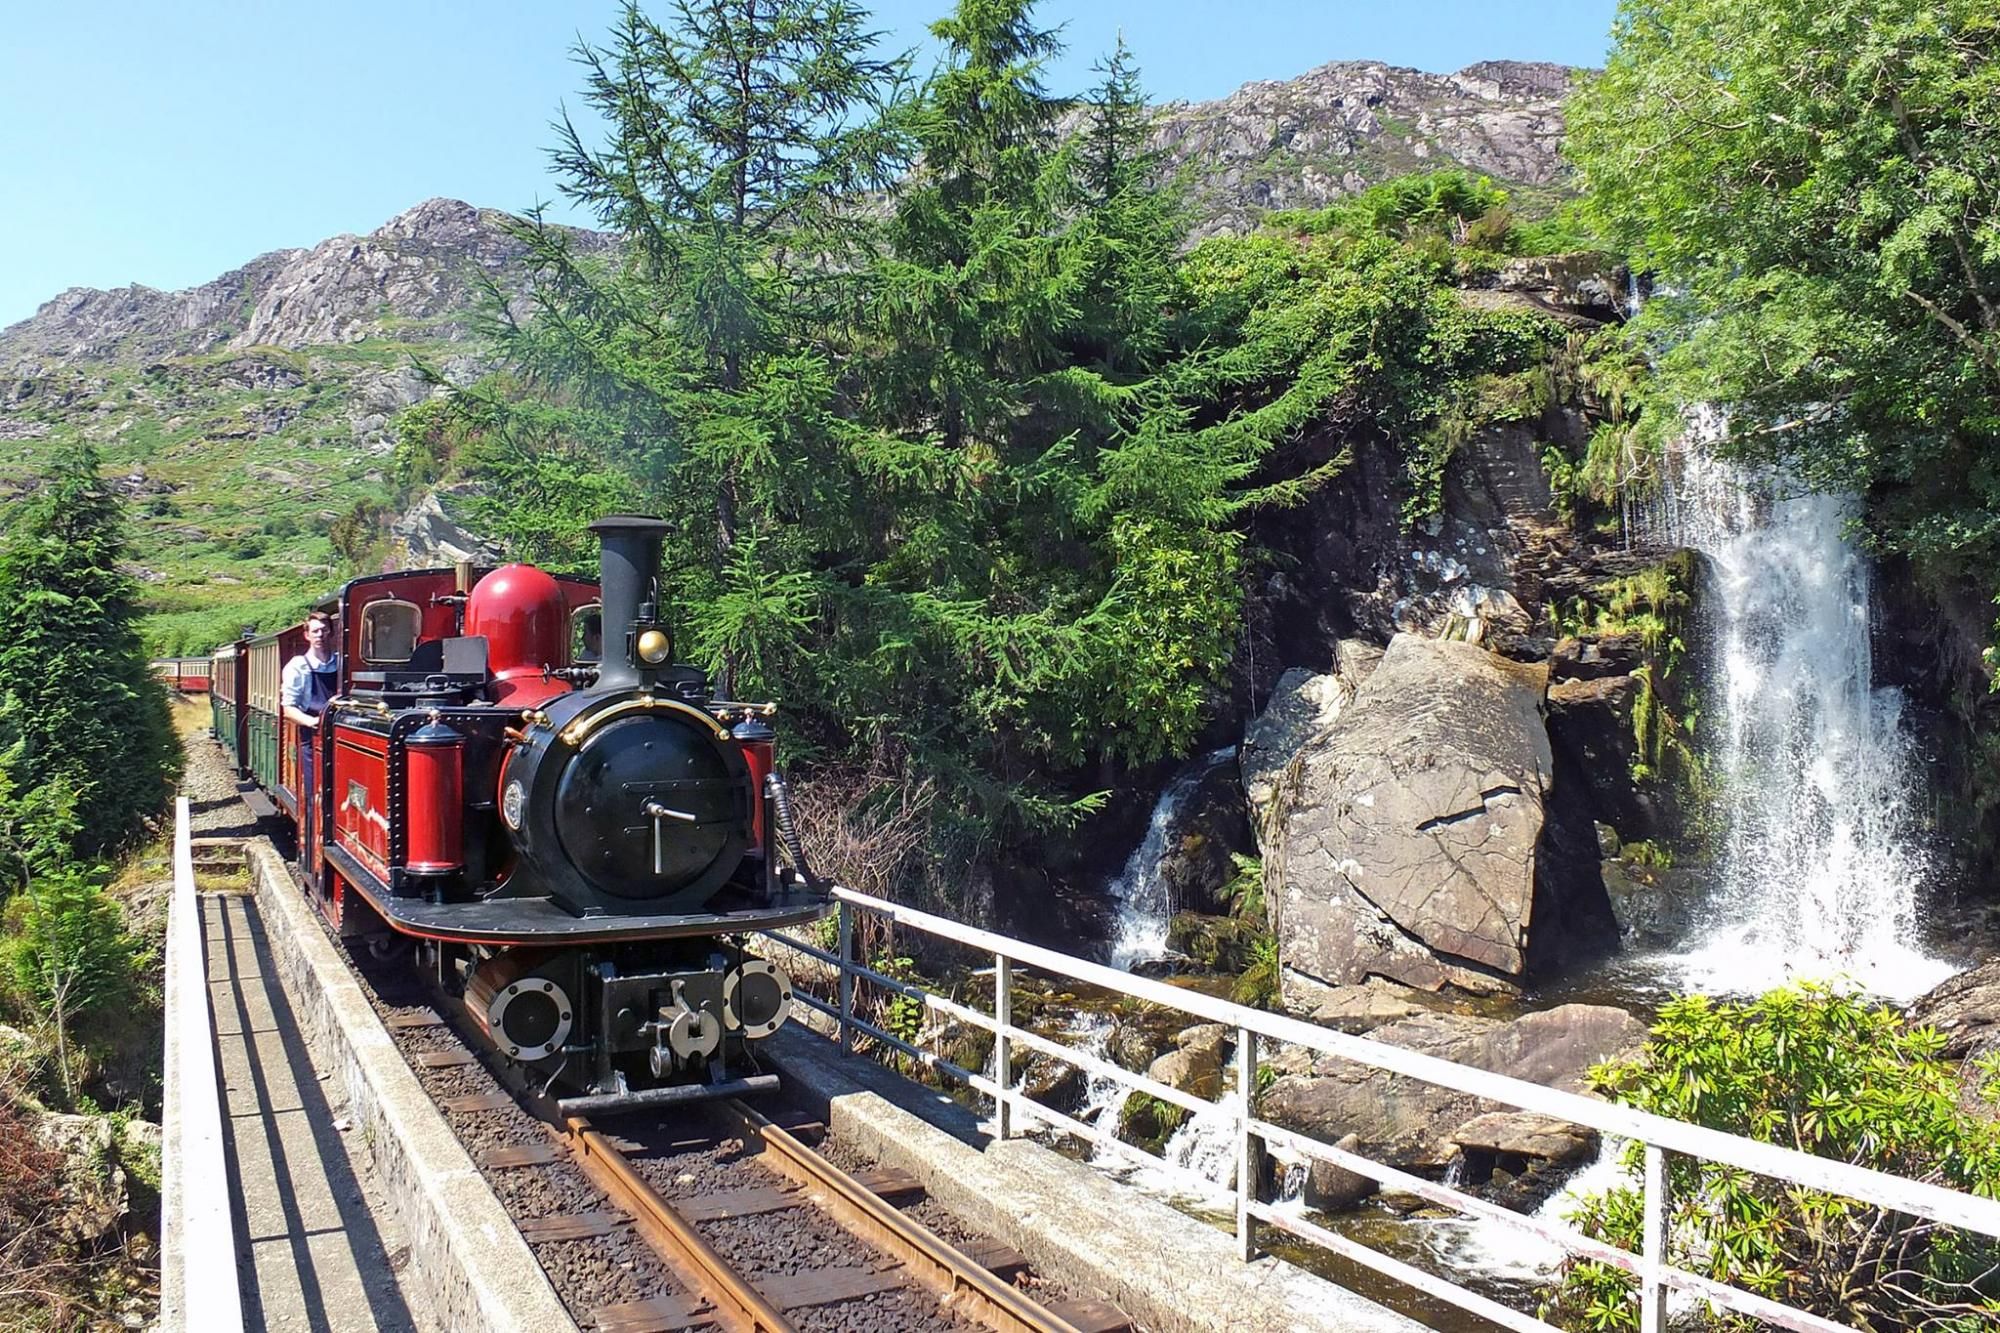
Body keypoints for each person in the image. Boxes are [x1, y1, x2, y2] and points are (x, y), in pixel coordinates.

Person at [281, 613, 340, 822]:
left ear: (331, 633)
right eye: (315, 631)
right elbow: (288, 708)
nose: (320, 635)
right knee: (315, 790)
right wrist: (313, 722)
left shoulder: (342, 665)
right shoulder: (298, 666)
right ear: (307, 635)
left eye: (324, 630)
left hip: (340, 735)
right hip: (313, 736)